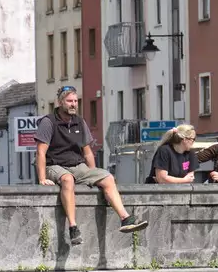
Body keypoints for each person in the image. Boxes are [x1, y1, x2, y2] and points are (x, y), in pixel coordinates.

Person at [34, 84, 148, 246]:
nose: (73, 104)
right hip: (54, 164)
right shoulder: (48, 122)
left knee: (107, 177)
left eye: (75, 101)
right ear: (60, 103)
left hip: (76, 165)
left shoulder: (80, 122)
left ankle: (125, 218)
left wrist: (93, 174)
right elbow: (41, 153)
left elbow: (87, 152)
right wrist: (42, 178)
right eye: (69, 101)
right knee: (68, 180)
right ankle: (73, 228)